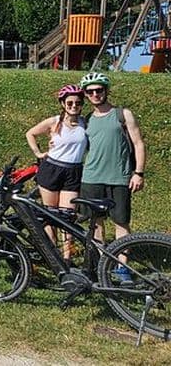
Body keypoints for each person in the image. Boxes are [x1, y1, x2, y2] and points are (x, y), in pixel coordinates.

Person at [78, 72, 146, 285]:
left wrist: (139, 173)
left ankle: (122, 267)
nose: (95, 94)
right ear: (86, 95)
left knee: (121, 222)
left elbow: (138, 143)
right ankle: (102, 264)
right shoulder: (86, 120)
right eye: (90, 91)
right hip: (91, 178)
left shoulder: (122, 114)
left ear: (106, 91)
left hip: (119, 178)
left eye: (98, 90)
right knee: (96, 223)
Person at [25, 84, 87, 263]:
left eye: (78, 103)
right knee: (49, 214)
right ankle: (52, 253)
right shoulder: (54, 122)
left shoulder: (85, 122)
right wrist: (38, 153)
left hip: (73, 171)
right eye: (70, 103)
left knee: (67, 216)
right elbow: (30, 133)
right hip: (51, 169)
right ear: (63, 103)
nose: (74, 106)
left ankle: (67, 257)